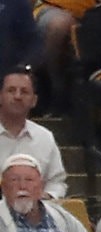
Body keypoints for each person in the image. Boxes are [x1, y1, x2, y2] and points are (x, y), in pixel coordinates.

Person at [0, 153, 97, 232]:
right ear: (3, 188)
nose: (22, 186)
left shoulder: (65, 219)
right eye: (14, 180)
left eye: (29, 180)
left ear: (41, 186)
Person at [0, 68, 68, 198]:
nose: (17, 96)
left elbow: (57, 182)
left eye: (24, 92)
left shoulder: (44, 137)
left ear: (34, 100)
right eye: (11, 90)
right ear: (0, 96)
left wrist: (46, 197)